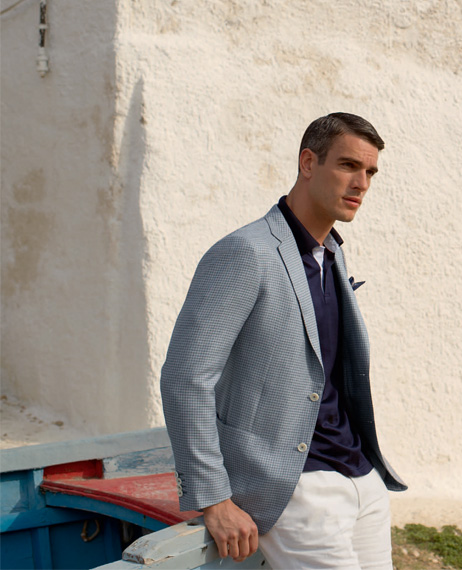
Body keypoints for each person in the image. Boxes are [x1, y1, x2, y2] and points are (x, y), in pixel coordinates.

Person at [160, 112, 406, 569]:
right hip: (297, 488)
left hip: (361, 477)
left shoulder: (330, 253)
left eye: (370, 172)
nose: (362, 183)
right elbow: (185, 377)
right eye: (348, 165)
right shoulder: (246, 252)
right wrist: (214, 499)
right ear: (308, 162)